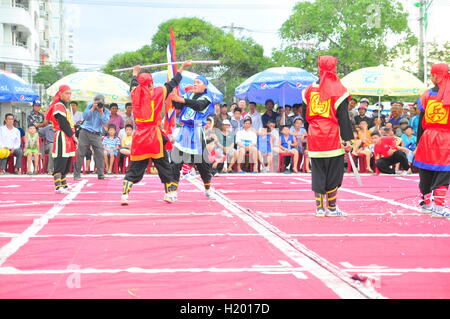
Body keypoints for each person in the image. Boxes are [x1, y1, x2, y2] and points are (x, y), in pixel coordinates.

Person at [121, 61, 192, 205]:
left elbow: (133, 84)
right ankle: (168, 194)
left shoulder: (135, 93)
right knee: (163, 165)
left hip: (140, 136)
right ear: (151, 83)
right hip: (154, 137)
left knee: (135, 167)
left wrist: (135, 72)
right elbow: (173, 83)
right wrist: (182, 68)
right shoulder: (159, 92)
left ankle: (124, 195)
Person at [301, 56, 353, 217]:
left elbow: (304, 117)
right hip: (331, 136)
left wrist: (311, 132)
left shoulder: (308, 90)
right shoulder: (339, 90)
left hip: (315, 135)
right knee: (334, 172)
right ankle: (331, 208)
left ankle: (319, 208)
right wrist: (347, 140)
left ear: (319, 68)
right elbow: (343, 118)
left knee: (318, 171)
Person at [170, 72, 216, 197]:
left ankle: (207, 188)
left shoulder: (207, 97)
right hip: (184, 130)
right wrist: (174, 98)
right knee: (175, 161)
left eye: (198, 83)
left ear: (205, 86)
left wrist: (182, 99)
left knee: (202, 164)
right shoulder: (189, 94)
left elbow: (199, 106)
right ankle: (173, 191)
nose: (195, 84)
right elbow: (179, 105)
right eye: (194, 82)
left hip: (196, 131)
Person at [413, 63, 450, 217]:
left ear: (436, 76)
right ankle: (439, 207)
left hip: (427, 136)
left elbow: (421, 121)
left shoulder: (427, 95)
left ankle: (426, 204)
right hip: (445, 138)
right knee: (444, 171)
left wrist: (418, 142)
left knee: (426, 170)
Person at [45, 85, 78, 193]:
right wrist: (73, 136)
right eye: (66, 93)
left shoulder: (64, 106)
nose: (69, 95)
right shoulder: (58, 105)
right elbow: (63, 123)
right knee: (60, 161)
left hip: (67, 136)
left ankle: (63, 185)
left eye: (70, 93)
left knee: (67, 161)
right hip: (62, 136)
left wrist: (72, 136)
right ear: (60, 94)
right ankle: (58, 186)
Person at [73, 95, 111, 181]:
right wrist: (92, 108)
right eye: (96, 102)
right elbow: (85, 117)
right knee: (80, 153)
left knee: (100, 154)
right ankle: (76, 174)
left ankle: (101, 174)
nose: (98, 104)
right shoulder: (89, 106)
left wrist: (101, 112)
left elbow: (105, 121)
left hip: (96, 134)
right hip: (85, 132)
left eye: (100, 102)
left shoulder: (106, 111)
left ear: (103, 103)